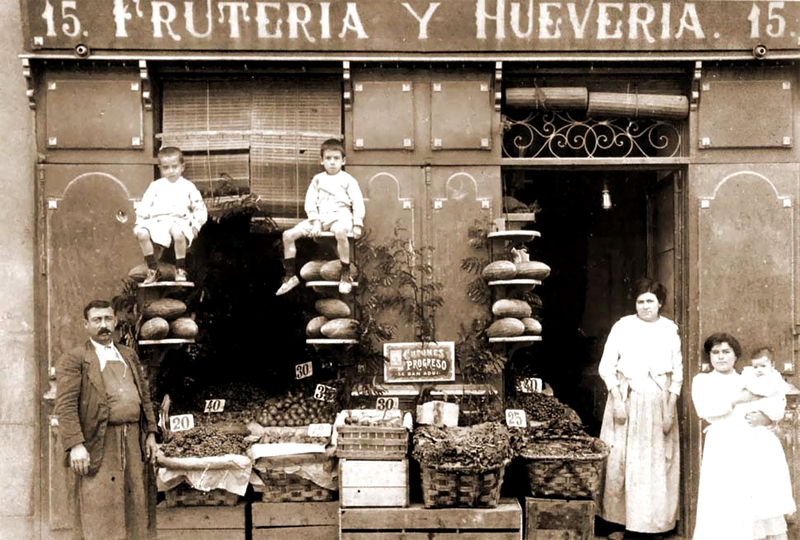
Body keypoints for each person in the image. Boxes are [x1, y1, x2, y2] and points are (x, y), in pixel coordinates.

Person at [54, 300, 159, 540]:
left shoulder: (128, 354)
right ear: (86, 324)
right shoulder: (75, 359)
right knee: (99, 508)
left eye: (108, 319)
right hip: (98, 442)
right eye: (97, 320)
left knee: (135, 508)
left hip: (133, 441)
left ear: (115, 321)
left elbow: (145, 397)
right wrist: (76, 445)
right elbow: (66, 406)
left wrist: (151, 433)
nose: (104, 325)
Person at [597, 277, 682, 539]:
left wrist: (669, 408)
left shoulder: (669, 329)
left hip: (658, 403)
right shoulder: (623, 326)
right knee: (622, 460)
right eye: (640, 301)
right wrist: (618, 401)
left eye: (650, 301)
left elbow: (676, 371)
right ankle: (618, 523)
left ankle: (651, 523)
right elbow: (606, 366)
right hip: (626, 399)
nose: (645, 306)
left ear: (660, 304)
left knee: (655, 461)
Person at [692, 337, 795, 540]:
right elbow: (704, 410)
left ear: (736, 355)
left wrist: (765, 419)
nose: (721, 356)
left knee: (753, 500)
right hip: (722, 443)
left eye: (726, 352)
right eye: (715, 352)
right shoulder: (702, 381)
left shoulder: (750, 379)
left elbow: (774, 404)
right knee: (724, 498)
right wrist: (737, 399)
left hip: (751, 444)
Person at [276, 138, 365, 296]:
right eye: (328, 158)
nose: (332, 162)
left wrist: (357, 223)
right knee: (288, 235)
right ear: (321, 160)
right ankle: (290, 276)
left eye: (336, 159)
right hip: (320, 217)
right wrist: (315, 222)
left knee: (340, 231)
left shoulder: (348, 180)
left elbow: (358, 202)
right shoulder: (317, 179)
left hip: (340, 216)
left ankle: (345, 274)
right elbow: (310, 203)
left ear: (343, 160)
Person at [134, 146, 208, 284]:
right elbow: (144, 205)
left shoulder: (188, 186)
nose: (171, 171)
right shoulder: (155, 186)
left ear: (182, 167)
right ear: (160, 168)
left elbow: (199, 208)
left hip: (178, 220)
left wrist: (196, 226)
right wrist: (140, 223)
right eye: (166, 168)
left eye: (174, 167)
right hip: (157, 221)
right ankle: (152, 269)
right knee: (142, 234)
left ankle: (180, 268)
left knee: (179, 234)